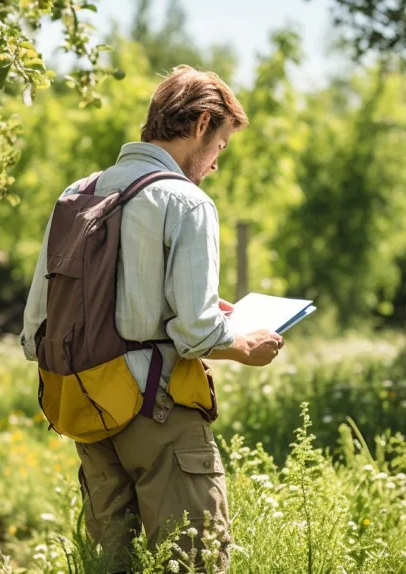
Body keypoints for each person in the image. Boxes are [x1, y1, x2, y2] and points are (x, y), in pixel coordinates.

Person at [21, 65, 284, 573]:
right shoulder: (186, 201)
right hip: (159, 411)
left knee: (111, 562)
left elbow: (35, 329)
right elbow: (195, 332)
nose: (214, 166)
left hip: (87, 409)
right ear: (203, 123)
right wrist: (244, 346)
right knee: (192, 561)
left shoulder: (77, 195)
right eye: (220, 147)